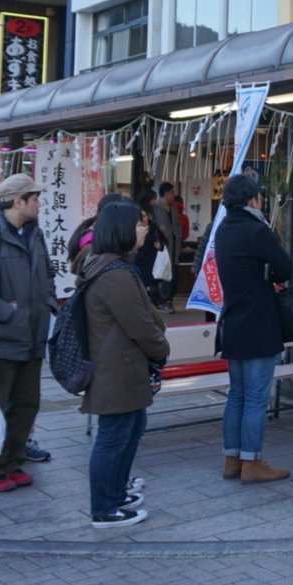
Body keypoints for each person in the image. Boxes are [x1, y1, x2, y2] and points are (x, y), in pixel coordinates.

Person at [82, 201, 170, 528]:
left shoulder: (113, 266)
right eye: (139, 224)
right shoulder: (113, 273)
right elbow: (141, 324)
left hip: (124, 365)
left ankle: (116, 494)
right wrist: (161, 349)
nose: (145, 229)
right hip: (116, 367)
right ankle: (104, 507)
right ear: (122, 229)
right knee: (114, 436)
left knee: (130, 429)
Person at [0, 173, 55, 493]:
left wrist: (48, 302)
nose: (39, 203)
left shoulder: (36, 234)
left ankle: (14, 461)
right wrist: (6, 312)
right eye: (35, 198)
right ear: (18, 201)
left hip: (33, 334)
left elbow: (46, 274)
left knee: (26, 404)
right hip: (2, 337)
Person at [213, 172, 293, 483]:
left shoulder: (222, 230)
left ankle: (232, 459)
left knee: (237, 395)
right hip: (259, 322)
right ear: (252, 200)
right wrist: (269, 275)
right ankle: (253, 463)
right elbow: (285, 267)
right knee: (257, 397)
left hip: (232, 322)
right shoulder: (256, 230)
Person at [152, 183, 180, 312]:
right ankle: (162, 300)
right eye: (172, 192)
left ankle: (169, 300)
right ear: (166, 193)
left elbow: (177, 225)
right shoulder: (155, 207)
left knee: (173, 273)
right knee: (162, 272)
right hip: (162, 245)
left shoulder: (174, 208)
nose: (173, 195)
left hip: (175, 244)